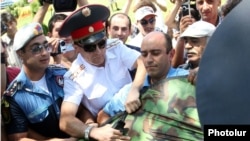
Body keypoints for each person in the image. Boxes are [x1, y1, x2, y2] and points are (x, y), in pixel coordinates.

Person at [58, 4, 145, 140]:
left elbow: (142, 62)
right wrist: (92, 132)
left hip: (137, 106)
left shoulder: (115, 46)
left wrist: (135, 89)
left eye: (101, 44)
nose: (98, 51)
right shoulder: (73, 76)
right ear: (76, 47)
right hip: (111, 124)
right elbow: (65, 120)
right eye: (90, 47)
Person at [104, 31, 203, 140]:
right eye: (144, 54)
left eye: (155, 53)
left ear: (171, 54)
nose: (149, 60)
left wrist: (205, 72)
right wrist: (114, 133)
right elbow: (103, 115)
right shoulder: (132, 91)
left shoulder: (187, 80)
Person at [1, 22, 76, 141]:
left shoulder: (63, 73)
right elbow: (19, 138)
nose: (45, 53)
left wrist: (86, 128)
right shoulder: (13, 97)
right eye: (36, 48)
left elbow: (84, 107)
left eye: (46, 46)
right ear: (20, 54)